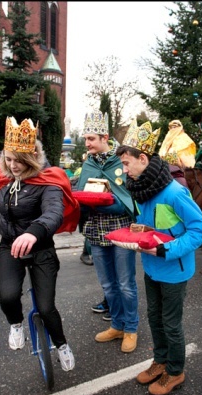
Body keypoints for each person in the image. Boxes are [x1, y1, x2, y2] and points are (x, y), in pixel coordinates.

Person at [0, 116, 78, 372]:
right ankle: (16, 324)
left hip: (40, 248)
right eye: (8, 160)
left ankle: (62, 344)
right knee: (8, 297)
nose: (13, 165)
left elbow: (53, 213)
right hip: (9, 246)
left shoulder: (48, 181)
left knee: (46, 308)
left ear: (32, 156)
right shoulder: (4, 179)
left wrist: (33, 233)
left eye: (19, 160)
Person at [116, 122, 202, 395]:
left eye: (126, 163)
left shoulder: (175, 192)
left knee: (170, 323)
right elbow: (154, 225)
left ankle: (176, 370)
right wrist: (140, 231)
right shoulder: (141, 189)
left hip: (173, 269)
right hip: (151, 267)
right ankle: (160, 362)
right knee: (154, 318)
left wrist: (166, 250)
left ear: (143, 159)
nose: (124, 170)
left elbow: (200, 230)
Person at [76, 109, 139, 353]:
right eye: (85, 139)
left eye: (91, 139)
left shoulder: (121, 160)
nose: (87, 143)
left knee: (125, 284)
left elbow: (129, 196)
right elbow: (82, 193)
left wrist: (113, 203)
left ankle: (131, 328)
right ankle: (117, 325)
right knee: (108, 284)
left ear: (104, 137)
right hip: (96, 232)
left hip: (121, 230)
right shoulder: (88, 164)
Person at [156, 119, 196, 187]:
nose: (172, 129)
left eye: (175, 127)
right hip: (165, 171)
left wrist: (179, 164)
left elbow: (188, 163)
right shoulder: (167, 140)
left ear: (180, 128)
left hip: (179, 172)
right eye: (171, 128)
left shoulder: (184, 139)